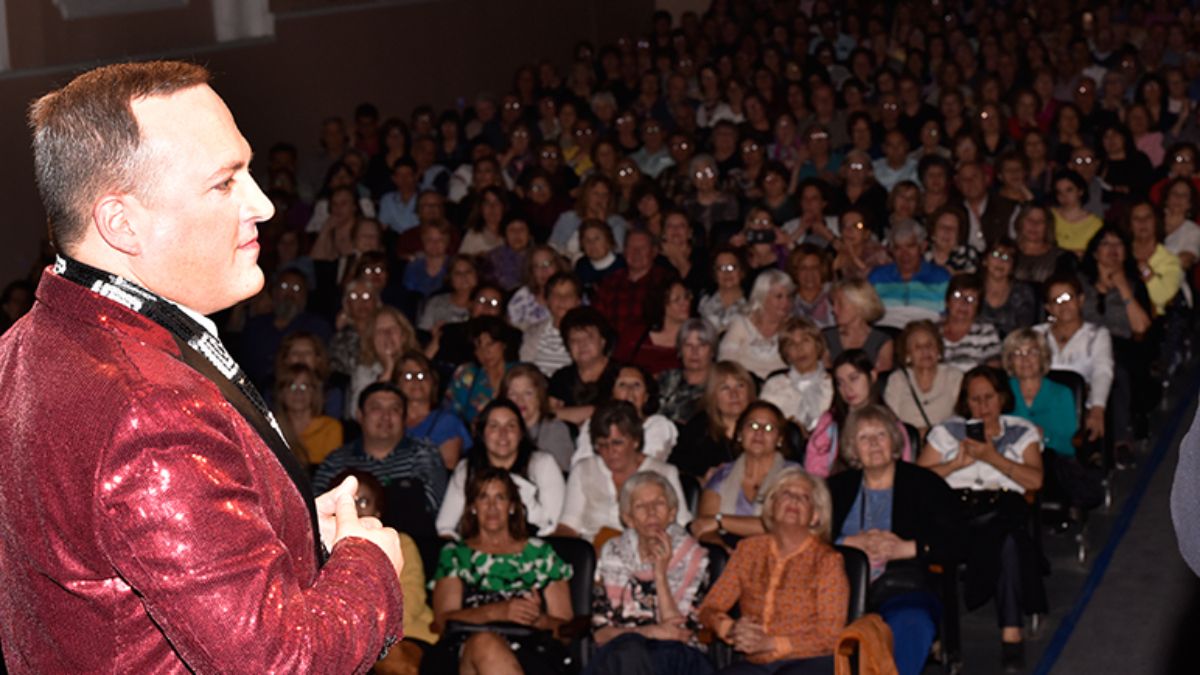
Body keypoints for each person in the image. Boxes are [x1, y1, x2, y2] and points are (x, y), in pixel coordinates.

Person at [0, 61, 401, 671]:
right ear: (122, 224)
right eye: (225, 183)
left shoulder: (24, 346)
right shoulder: (148, 408)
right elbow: (280, 663)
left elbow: (104, 560)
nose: (264, 204)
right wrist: (365, 566)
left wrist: (279, 525)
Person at [918, 367, 1045, 670]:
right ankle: (943, 635)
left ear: (1002, 397)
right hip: (955, 509)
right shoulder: (947, 432)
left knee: (1009, 538)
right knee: (939, 537)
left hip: (1000, 504)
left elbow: (1035, 481)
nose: (982, 406)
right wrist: (953, 464)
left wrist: (993, 458)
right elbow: (917, 480)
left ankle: (1011, 635)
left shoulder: (1021, 430)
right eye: (974, 399)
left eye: (988, 397)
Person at [828, 405, 966, 675]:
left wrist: (909, 548)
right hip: (838, 590)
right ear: (852, 449)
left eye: (880, 434)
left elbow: (959, 539)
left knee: (912, 622)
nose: (874, 444)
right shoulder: (835, 488)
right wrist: (848, 543)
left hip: (903, 586)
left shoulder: (925, 484)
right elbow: (809, 537)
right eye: (864, 438)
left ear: (894, 441)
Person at [698, 467, 848, 674]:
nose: (794, 501)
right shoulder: (749, 550)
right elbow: (708, 608)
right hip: (756, 664)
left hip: (809, 660)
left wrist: (773, 644)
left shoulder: (828, 561)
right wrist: (730, 629)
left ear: (815, 517)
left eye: (804, 497)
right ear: (771, 507)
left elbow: (831, 635)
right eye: (786, 494)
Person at [426, 468, 575, 675]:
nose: (492, 507)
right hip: (466, 653)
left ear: (512, 506)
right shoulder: (455, 555)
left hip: (531, 650)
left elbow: (567, 630)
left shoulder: (540, 554)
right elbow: (443, 622)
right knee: (485, 643)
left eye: (500, 498)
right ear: (473, 507)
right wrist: (498, 612)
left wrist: (539, 620)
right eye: (483, 497)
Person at [586, 472, 714, 675]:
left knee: (632, 652)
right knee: (629, 650)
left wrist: (660, 573)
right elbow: (600, 634)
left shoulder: (695, 557)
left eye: (659, 503)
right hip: (623, 653)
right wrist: (649, 632)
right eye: (640, 506)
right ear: (628, 519)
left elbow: (679, 633)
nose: (651, 512)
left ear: (672, 513)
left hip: (678, 658)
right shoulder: (613, 552)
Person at [314, 383, 448, 527]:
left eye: (395, 409)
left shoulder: (423, 453)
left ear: (404, 417)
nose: (386, 416)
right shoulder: (336, 460)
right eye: (376, 408)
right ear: (360, 415)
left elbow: (437, 510)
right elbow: (315, 512)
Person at [557, 401, 691, 544]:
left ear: (635, 441)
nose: (610, 451)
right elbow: (568, 525)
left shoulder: (664, 473)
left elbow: (681, 526)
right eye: (602, 444)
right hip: (592, 554)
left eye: (617, 443)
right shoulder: (583, 469)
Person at [435, 399, 566, 539]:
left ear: (521, 433)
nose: (503, 433)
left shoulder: (542, 464)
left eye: (511, 426)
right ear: (482, 433)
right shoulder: (467, 468)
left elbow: (556, 528)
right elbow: (445, 528)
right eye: (494, 426)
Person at [690, 402, 800, 546]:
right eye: (752, 425)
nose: (759, 432)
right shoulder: (721, 476)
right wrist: (722, 549)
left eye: (768, 428)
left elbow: (781, 526)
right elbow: (703, 527)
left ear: (779, 439)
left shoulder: (793, 477)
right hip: (728, 553)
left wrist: (720, 521)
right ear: (740, 434)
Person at [807, 350, 914, 478]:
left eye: (854, 379)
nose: (848, 389)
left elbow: (904, 473)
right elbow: (812, 472)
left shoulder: (892, 424)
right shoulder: (829, 422)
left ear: (872, 376)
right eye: (840, 383)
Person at [574, 365, 679, 466]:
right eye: (622, 385)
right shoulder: (593, 423)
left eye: (637, 385)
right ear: (612, 394)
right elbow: (581, 464)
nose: (629, 390)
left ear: (646, 396)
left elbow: (647, 466)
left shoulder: (658, 425)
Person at [672, 361, 756, 481]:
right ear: (713, 395)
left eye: (740, 385)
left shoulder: (764, 422)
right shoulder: (699, 428)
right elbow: (676, 471)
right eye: (725, 388)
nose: (734, 394)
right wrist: (702, 480)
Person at [884, 320, 964, 438]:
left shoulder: (954, 376)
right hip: (908, 446)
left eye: (929, 345)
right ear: (908, 355)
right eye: (917, 347)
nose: (925, 351)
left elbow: (961, 419)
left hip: (946, 445)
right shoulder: (897, 380)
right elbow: (890, 422)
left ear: (938, 350)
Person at [393, 350, 471, 470]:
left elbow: (447, 468)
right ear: (397, 384)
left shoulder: (447, 422)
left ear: (432, 381)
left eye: (422, 375)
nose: (416, 380)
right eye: (408, 376)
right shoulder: (390, 423)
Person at [868, 219, 950, 329]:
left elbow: (948, 317)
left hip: (925, 335)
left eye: (910, 246)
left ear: (922, 247)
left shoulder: (941, 278)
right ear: (891, 250)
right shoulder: (877, 277)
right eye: (898, 248)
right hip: (885, 336)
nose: (904, 254)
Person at [762, 317, 834, 434]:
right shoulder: (774, 385)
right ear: (786, 353)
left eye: (805, 341)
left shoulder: (833, 384)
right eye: (791, 344)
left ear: (818, 345)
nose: (799, 349)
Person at [718, 269, 793, 380]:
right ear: (762, 297)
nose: (785, 303)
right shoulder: (741, 325)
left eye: (789, 296)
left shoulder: (793, 327)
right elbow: (726, 366)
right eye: (779, 297)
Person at [502, 364, 575, 472]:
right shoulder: (501, 431)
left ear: (539, 396)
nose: (520, 400)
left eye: (528, 393)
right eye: (513, 394)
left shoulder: (554, 430)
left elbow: (559, 475)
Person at [273, 363, 344, 467]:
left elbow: (333, 469)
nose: (298, 393)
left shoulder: (330, 427)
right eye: (292, 386)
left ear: (314, 392)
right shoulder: (272, 427)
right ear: (282, 393)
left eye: (304, 386)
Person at [822, 279, 894, 373]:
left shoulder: (882, 341)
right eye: (833, 304)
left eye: (840, 304)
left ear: (860, 305)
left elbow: (882, 379)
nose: (834, 310)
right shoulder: (825, 338)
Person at [657, 317, 718, 427]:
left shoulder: (721, 383)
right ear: (680, 350)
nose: (695, 352)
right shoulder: (666, 379)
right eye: (688, 345)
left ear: (712, 351)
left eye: (702, 345)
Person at [940, 274, 1003, 371]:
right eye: (958, 296)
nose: (964, 303)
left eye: (971, 299)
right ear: (947, 301)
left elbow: (993, 373)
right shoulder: (932, 331)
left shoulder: (986, 332)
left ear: (978, 306)